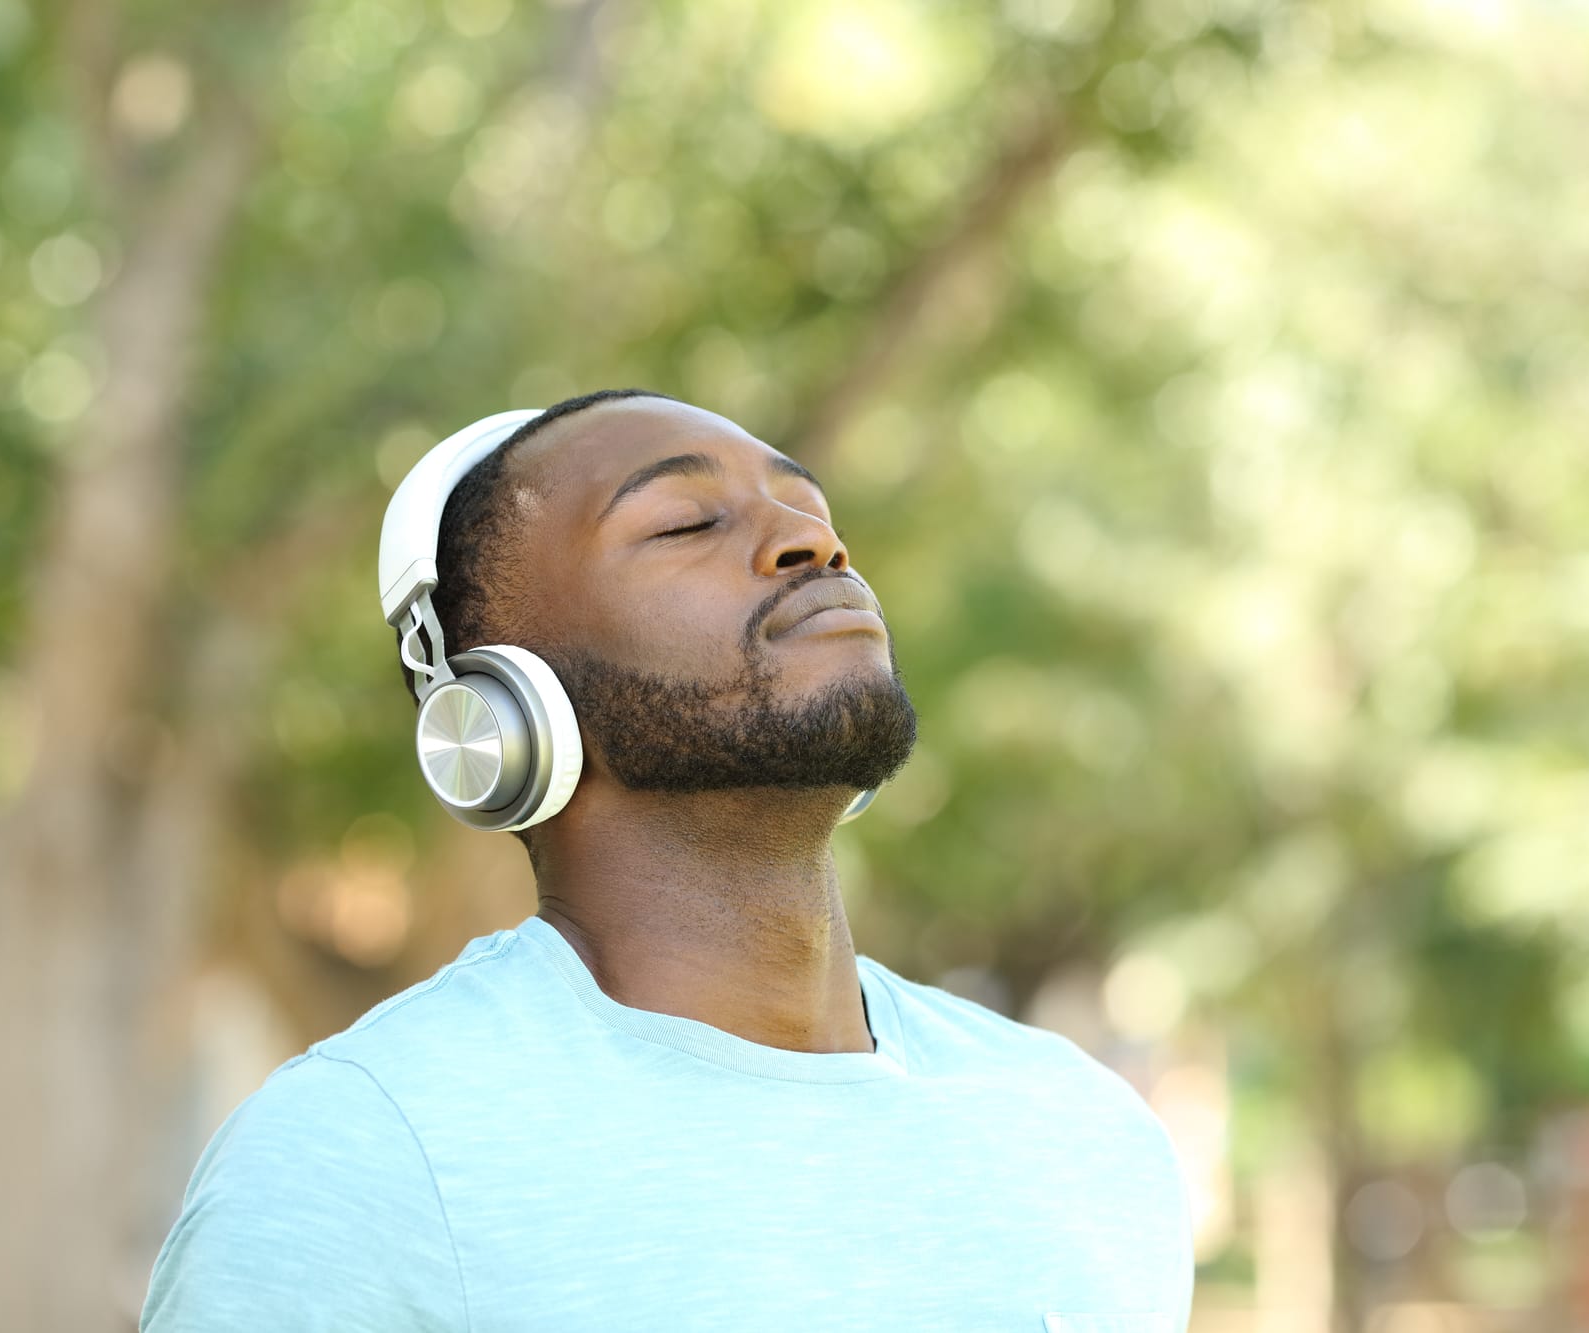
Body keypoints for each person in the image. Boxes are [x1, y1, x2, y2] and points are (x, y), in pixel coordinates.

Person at [141, 390, 1193, 1331]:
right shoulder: (358, 1158)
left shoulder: (1081, 1132)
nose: (808, 546)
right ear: (505, 717)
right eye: (687, 522)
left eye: (816, 516)